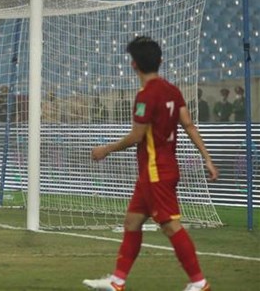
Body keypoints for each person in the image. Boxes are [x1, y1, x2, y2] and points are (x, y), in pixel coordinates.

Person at [82, 36, 218, 291]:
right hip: (156, 171)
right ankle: (117, 281)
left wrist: (106, 149)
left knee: (169, 226)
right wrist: (207, 158)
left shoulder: (145, 96)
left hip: (156, 171)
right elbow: (188, 124)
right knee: (132, 222)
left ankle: (199, 282)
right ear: (161, 61)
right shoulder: (172, 91)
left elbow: (137, 136)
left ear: (133, 65)